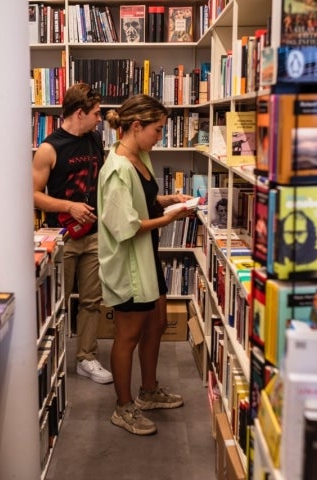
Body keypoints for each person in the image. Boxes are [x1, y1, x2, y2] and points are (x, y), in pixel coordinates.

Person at [98, 94, 193, 435]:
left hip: (147, 256)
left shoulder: (140, 157)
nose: (161, 137)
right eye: (158, 129)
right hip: (128, 263)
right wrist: (169, 220)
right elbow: (125, 225)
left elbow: (145, 201)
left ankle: (148, 391)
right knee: (128, 335)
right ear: (135, 126)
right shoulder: (117, 169)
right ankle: (122, 408)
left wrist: (170, 201)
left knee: (157, 322)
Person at [32, 83, 113, 385]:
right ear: (79, 113)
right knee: (56, 302)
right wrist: (69, 206)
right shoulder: (49, 148)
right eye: (96, 113)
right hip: (59, 237)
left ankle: (86, 358)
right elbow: (33, 194)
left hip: (93, 234)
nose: (99, 118)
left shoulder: (94, 141)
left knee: (92, 301)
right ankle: (49, 358)